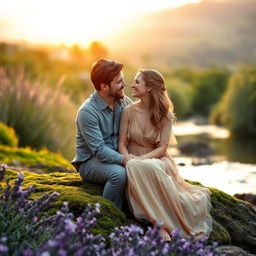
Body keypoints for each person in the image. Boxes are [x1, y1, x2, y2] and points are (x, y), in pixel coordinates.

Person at [119, 69, 212, 241]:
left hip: (157, 159)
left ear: (149, 87)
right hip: (131, 158)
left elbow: (162, 148)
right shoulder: (128, 111)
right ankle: (159, 225)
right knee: (134, 167)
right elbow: (122, 144)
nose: (132, 85)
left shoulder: (165, 114)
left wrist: (139, 160)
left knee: (148, 166)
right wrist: (126, 158)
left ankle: (160, 225)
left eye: (137, 82)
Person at [71, 59, 132, 210]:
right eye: (119, 82)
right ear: (104, 86)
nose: (124, 84)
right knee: (119, 174)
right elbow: (99, 150)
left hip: (117, 156)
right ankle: (109, 215)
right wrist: (126, 160)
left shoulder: (124, 102)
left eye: (123, 79)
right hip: (90, 161)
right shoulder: (87, 112)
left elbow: (142, 116)